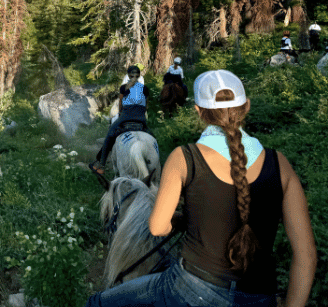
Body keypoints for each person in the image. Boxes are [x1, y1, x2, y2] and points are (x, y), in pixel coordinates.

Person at [85, 70, 316, 307]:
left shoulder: (184, 158)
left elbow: (157, 227)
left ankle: (100, 160)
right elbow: (306, 257)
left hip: (192, 289)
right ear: (246, 106)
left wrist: (183, 220)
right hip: (260, 296)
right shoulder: (281, 165)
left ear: (198, 111)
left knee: (97, 302)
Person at [90, 65, 150, 176]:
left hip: (126, 117)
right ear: (139, 76)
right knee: (152, 136)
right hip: (141, 119)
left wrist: (121, 114)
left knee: (109, 136)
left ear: (128, 75)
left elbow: (121, 104)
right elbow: (146, 106)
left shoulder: (123, 88)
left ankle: (101, 165)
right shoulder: (145, 89)